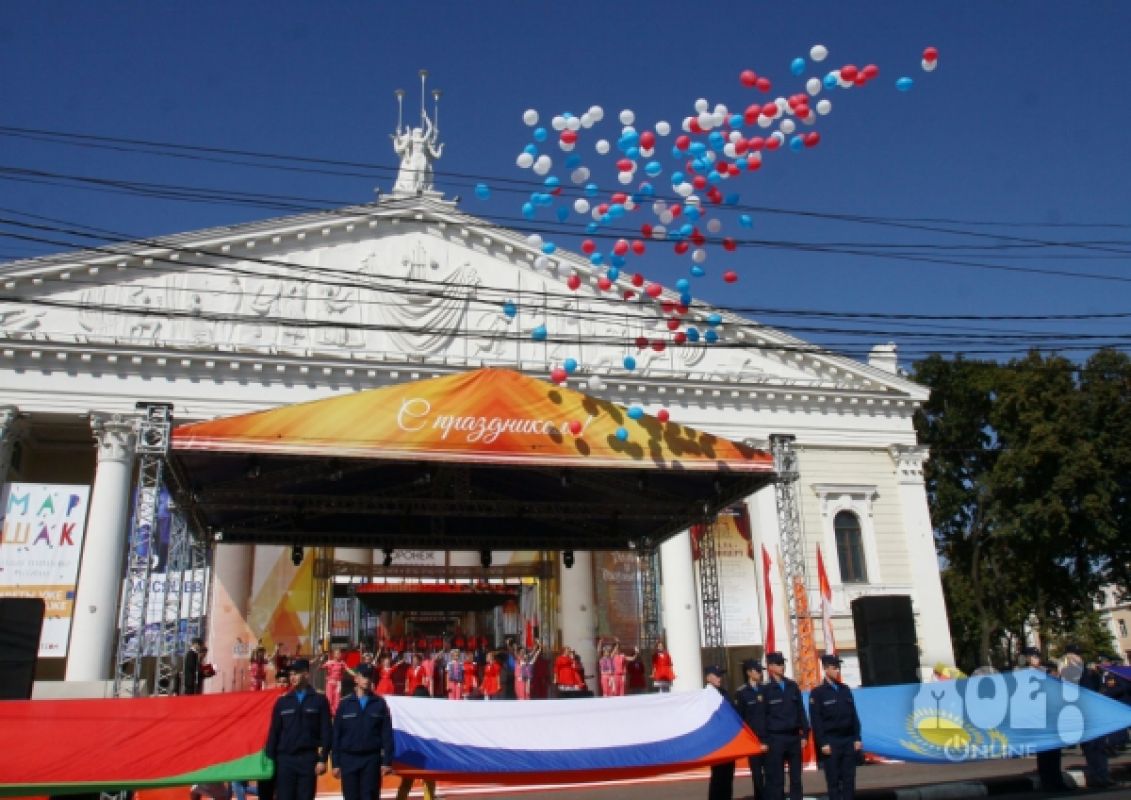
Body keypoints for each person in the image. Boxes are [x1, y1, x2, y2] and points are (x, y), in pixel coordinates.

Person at [264, 658, 332, 800]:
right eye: (291, 674)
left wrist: (323, 759)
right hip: (285, 760)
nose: (292, 677)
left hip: (307, 759)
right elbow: (274, 732)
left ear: (306, 674)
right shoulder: (282, 702)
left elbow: (326, 731)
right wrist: (270, 760)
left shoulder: (319, 700)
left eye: (296, 673)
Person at [331, 664, 394, 800]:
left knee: (369, 796)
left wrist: (387, 761)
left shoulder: (379, 703)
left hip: (371, 759)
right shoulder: (345, 704)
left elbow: (386, 734)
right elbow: (336, 735)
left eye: (370, 676)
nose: (367, 679)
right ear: (356, 678)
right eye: (364, 676)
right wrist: (335, 763)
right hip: (349, 759)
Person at [808, 655, 861, 800]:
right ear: (825, 668)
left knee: (849, 779)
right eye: (834, 667)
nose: (837, 670)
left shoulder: (845, 689)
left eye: (838, 667)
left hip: (847, 740)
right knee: (834, 780)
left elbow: (853, 715)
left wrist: (857, 737)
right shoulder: (818, 693)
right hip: (831, 741)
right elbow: (816, 721)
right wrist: (823, 742)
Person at [762, 651, 808, 800]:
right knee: (777, 779)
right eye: (778, 664)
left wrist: (805, 734)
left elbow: (801, 711)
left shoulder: (792, 686)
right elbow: (762, 717)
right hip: (776, 738)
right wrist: (765, 740)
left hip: (794, 737)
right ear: (770, 667)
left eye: (783, 663)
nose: (782, 666)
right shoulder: (766, 689)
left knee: (796, 778)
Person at [734, 659, 767, 800]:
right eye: (757, 671)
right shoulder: (742, 693)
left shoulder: (765, 689)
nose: (760, 673)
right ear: (749, 673)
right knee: (757, 773)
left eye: (760, 671)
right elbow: (740, 718)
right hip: (753, 739)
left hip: (768, 736)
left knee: (772, 770)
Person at [705, 664, 735, 800]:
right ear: (708, 678)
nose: (719, 678)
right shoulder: (703, 696)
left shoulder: (725, 693)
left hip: (728, 741)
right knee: (718, 776)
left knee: (728, 776)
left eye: (720, 675)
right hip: (715, 742)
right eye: (717, 675)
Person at [319, 647, 350, 713]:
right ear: (334, 655)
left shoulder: (342, 663)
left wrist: (356, 674)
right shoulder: (329, 662)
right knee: (329, 698)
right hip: (330, 683)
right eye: (337, 653)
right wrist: (321, 660)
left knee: (337, 699)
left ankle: (336, 713)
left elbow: (348, 670)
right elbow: (320, 667)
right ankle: (328, 713)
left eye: (340, 653)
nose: (339, 654)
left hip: (338, 683)